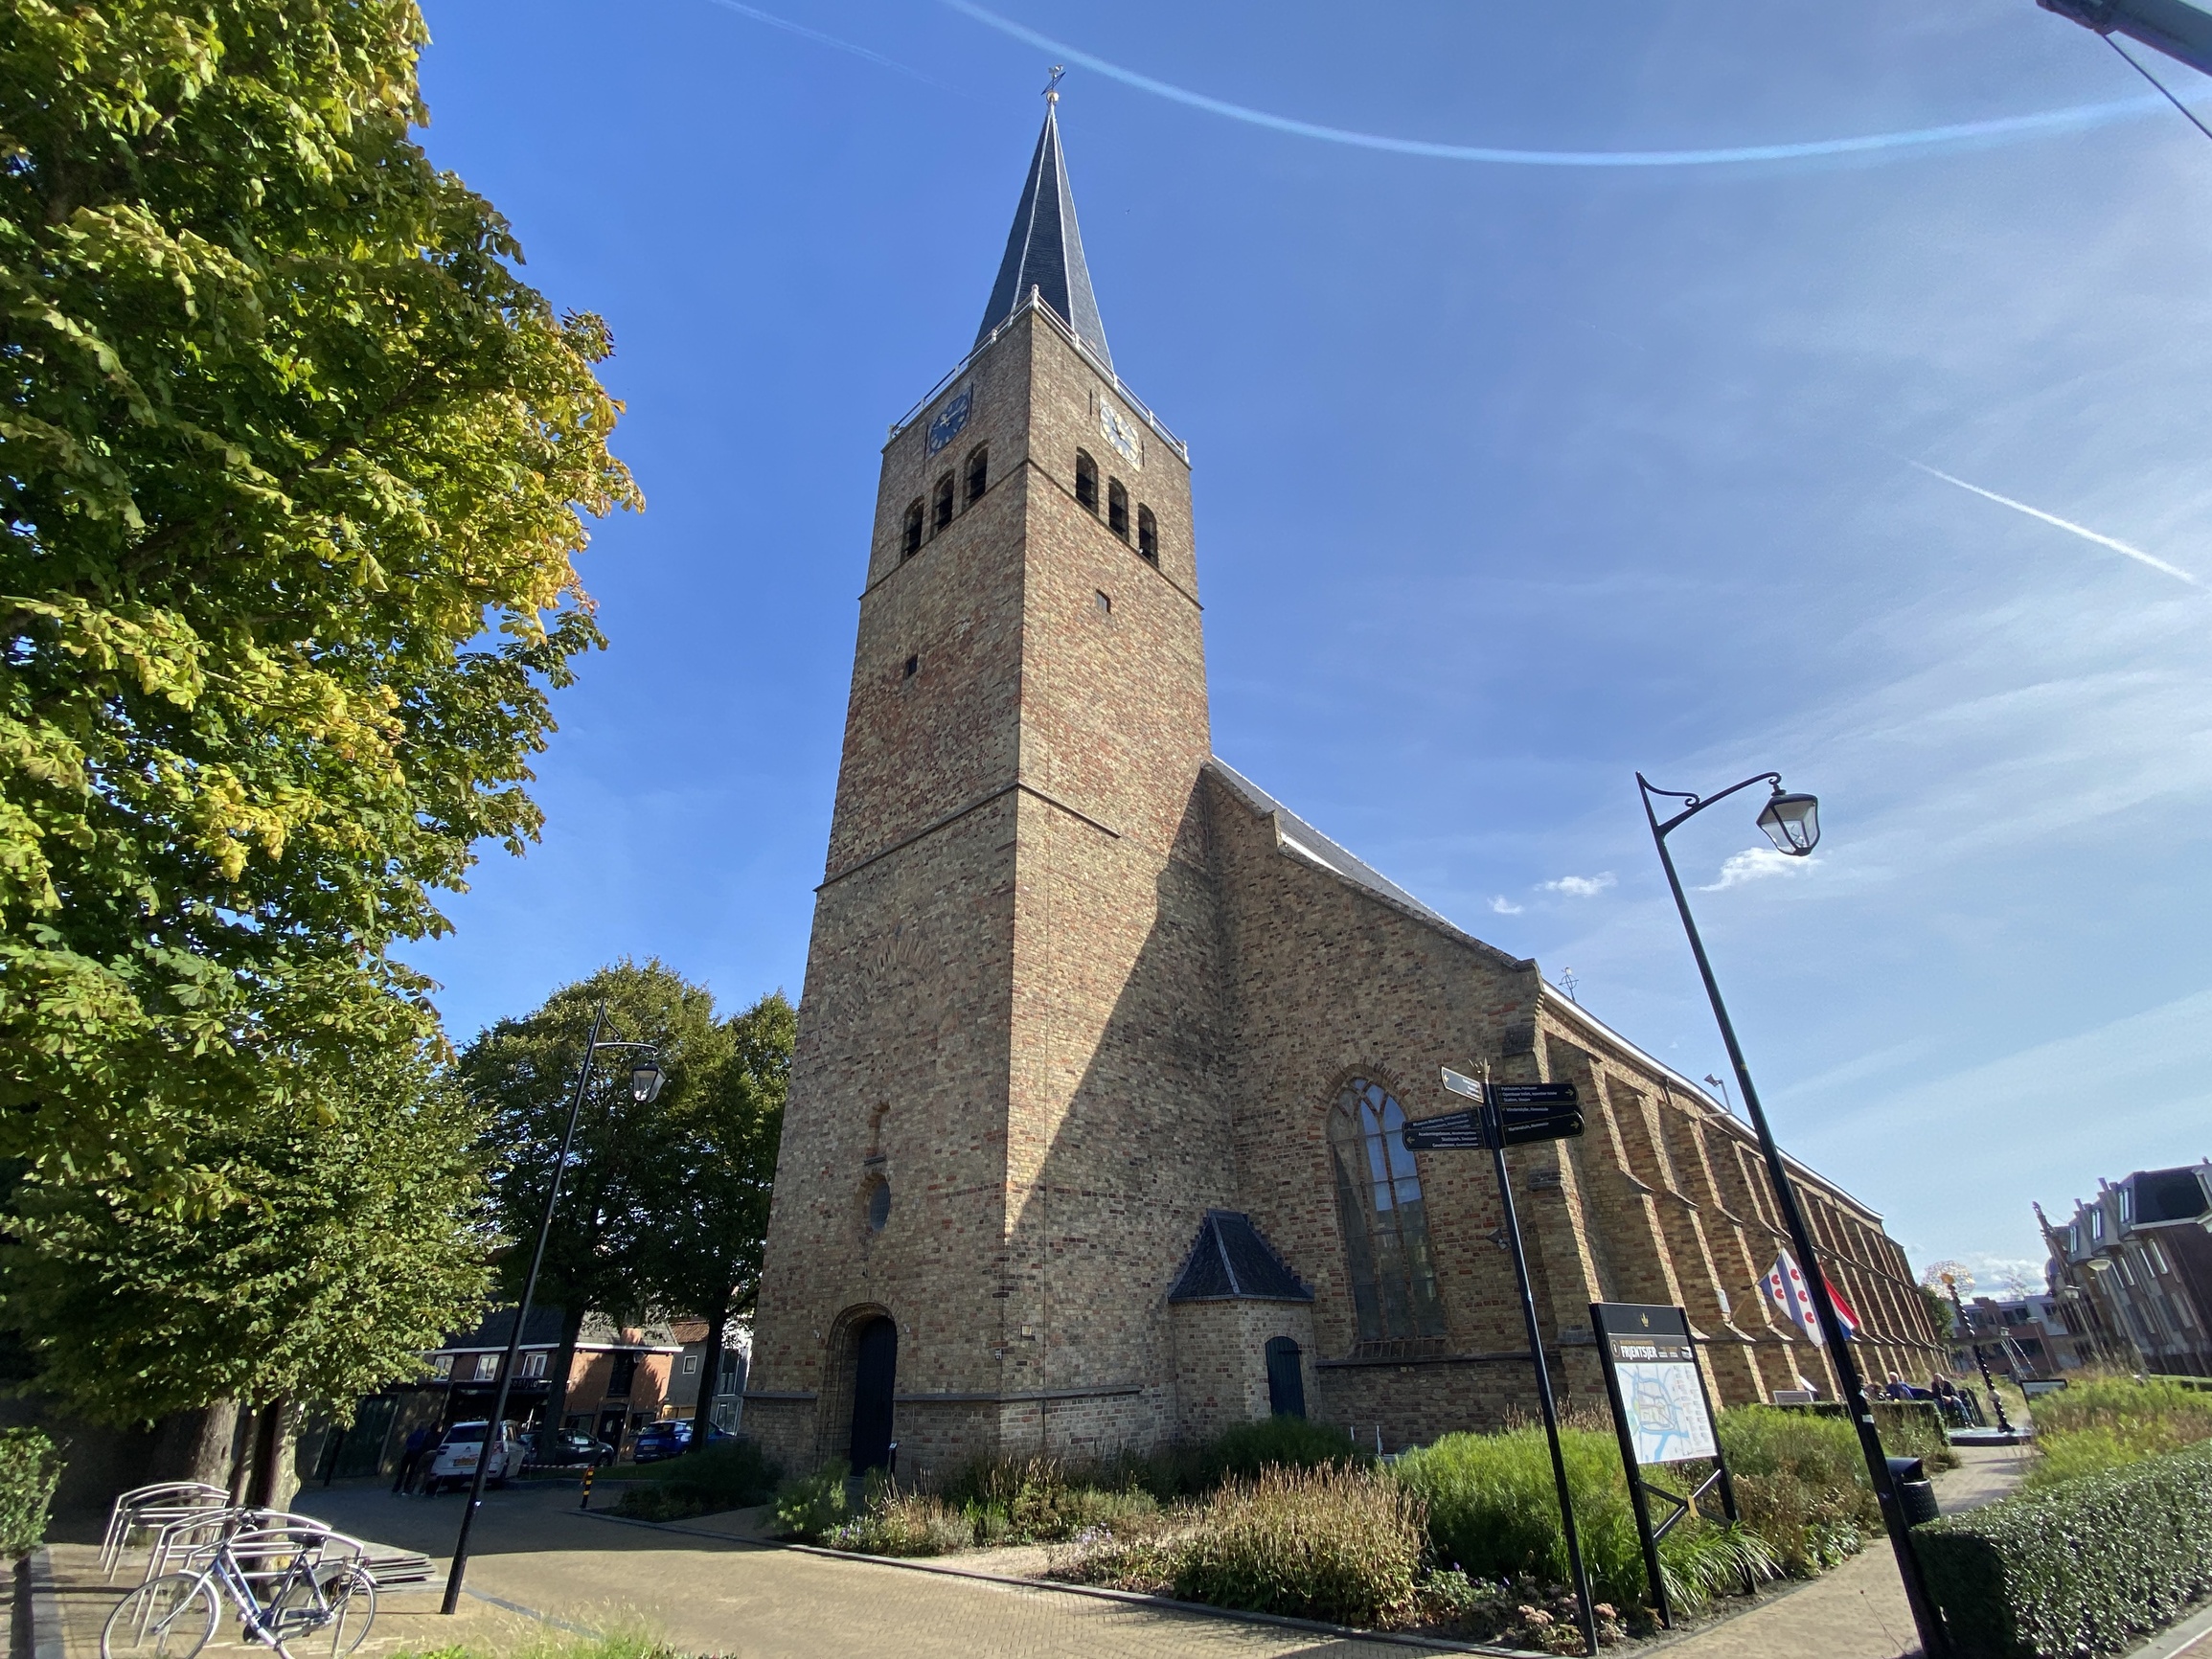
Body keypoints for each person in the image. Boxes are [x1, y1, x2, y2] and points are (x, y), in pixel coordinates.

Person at [393, 1423, 433, 1495]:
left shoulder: (413, 1434)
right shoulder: (424, 1435)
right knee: (411, 1472)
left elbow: (407, 1442)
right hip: (416, 1455)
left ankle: (396, 1487)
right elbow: (423, 1445)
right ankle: (406, 1488)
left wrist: (409, 1448)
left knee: (402, 1471)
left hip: (408, 1453)